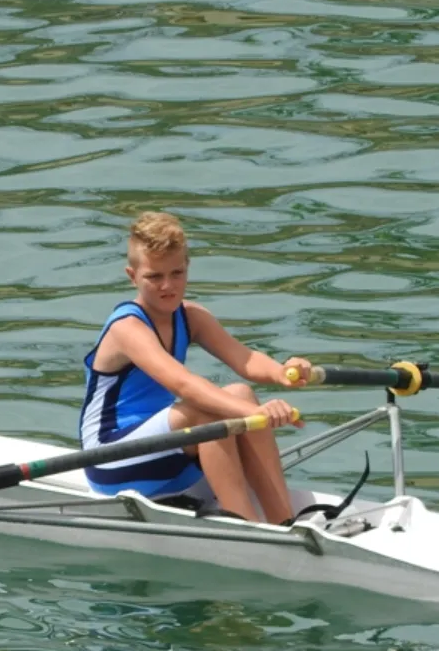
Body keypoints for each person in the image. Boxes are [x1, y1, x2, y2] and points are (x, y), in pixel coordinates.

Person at [79, 211, 311, 525]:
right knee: (208, 413)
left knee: (241, 392)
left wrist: (281, 372)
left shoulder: (191, 317)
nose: (168, 286)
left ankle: (284, 522)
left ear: (188, 267)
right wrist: (256, 415)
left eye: (177, 273)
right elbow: (184, 385)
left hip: (165, 451)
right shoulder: (127, 328)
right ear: (132, 276)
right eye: (154, 277)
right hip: (109, 459)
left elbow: (246, 359)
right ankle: (245, 528)